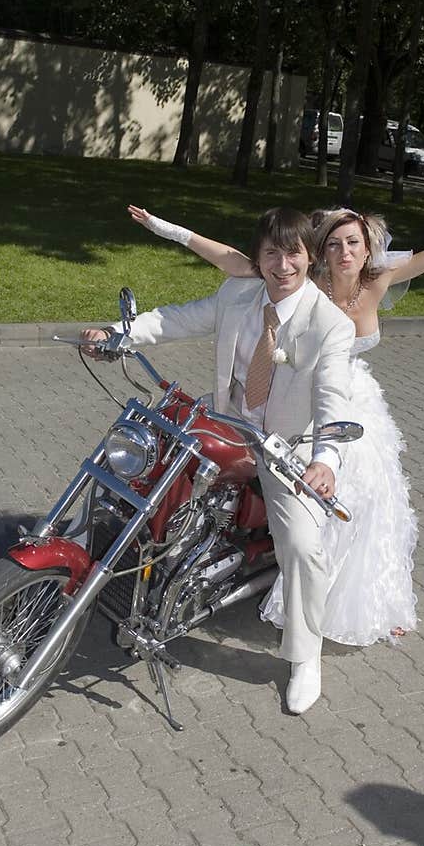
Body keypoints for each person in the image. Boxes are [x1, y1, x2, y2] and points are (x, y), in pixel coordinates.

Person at [126, 182, 424, 652]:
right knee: (166, 433)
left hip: (343, 400)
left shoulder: (377, 281)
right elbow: (227, 256)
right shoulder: (298, 278)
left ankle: (339, 601)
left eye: (354, 243)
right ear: (319, 251)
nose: (344, 252)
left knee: (361, 497)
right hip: (279, 393)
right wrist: (162, 228)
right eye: (334, 243)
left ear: (368, 249)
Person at [81, 207, 355, 715]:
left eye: (293, 252)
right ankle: (120, 556)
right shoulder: (239, 294)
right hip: (227, 418)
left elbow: (332, 396)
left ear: (309, 257)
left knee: (302, 545)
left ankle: (304, 658)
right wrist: (118, 333)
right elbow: (175, 319)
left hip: (285, 443)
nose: (282, 264)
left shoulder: (330, 325)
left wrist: (326, 459)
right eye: (271, 252)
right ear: (258, 257)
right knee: (140, 456)